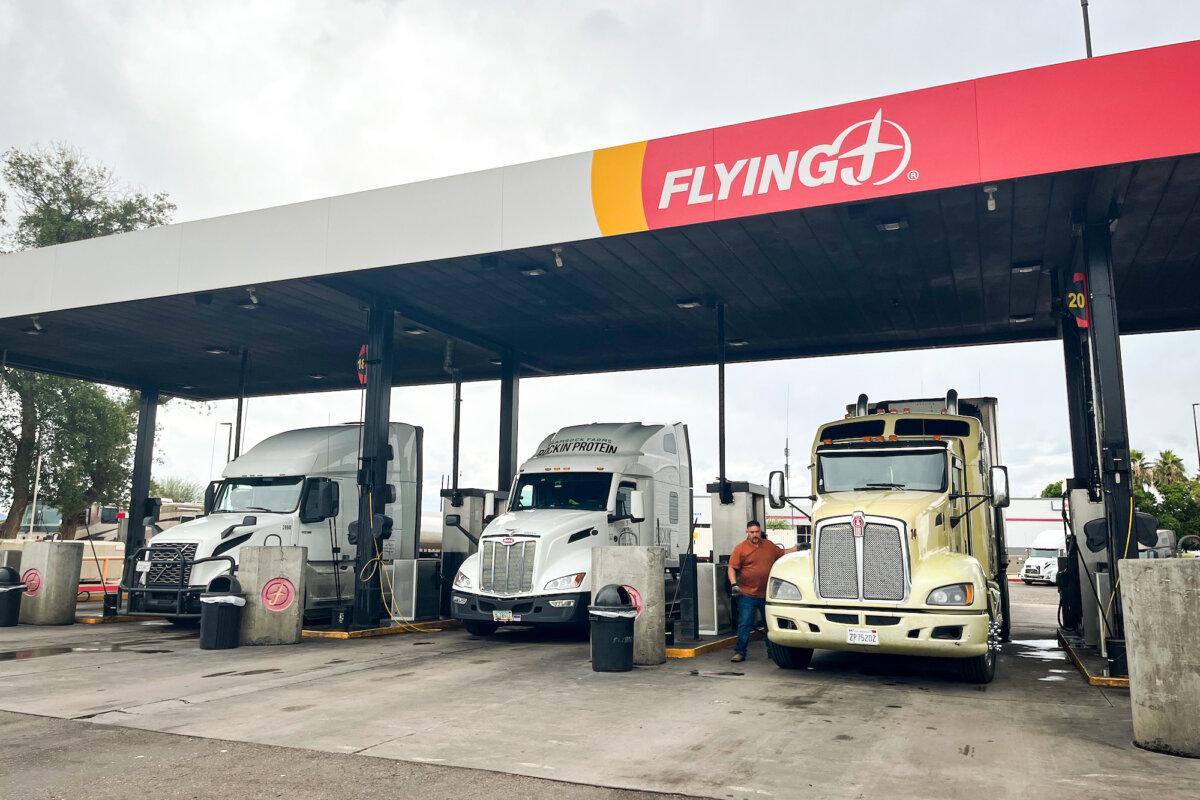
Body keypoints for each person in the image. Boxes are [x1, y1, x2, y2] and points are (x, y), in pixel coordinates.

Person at [727, 519, 799, 662]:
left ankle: (772, 652)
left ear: (760, 532)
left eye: (757, 532)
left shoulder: (769, 546)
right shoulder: (740, 548)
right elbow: (731, 568)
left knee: (770, 625)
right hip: (747, 594)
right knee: (745, 624)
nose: (755, 534)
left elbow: (783, 552)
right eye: (752, 532)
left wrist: (797, 547)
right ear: (747, 532)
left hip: (767, 595)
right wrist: (734, 584)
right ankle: (740, 652)